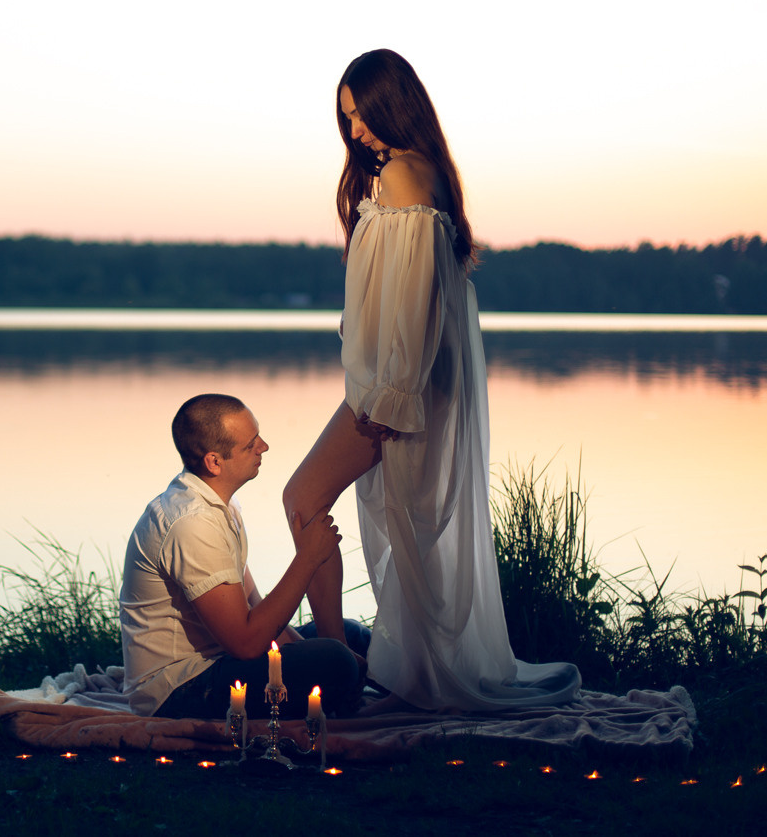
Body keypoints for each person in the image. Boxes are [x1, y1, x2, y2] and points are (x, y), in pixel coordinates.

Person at [282, 49, 581, 712]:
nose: (355, 131)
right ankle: (353, 664)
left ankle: (337, 671)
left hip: (396, 390)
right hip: (396, 384)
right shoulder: (419, 172)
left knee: (304, 497)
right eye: (346, 118)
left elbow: (415, 304)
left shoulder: (405, 176)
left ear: (394, 103)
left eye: (362, 114)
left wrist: (391, 395)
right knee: (384, 525)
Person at [120, 393, 364, 719]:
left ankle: (347, 682)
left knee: (351, 635)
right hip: (180, 688)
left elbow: (255, 610)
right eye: (250, 445)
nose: (264, 446)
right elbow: (247, 643)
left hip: (222, 657)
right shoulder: (192, 524)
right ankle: (345, 690)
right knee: (336, 661)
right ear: (214, 462)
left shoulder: (220, 506)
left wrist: (307, 647)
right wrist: (308, 558)